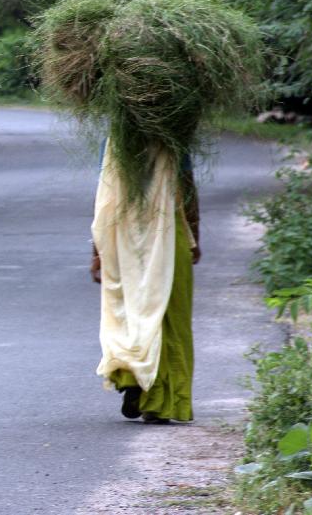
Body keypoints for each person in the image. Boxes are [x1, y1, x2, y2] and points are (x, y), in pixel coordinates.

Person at [90, 142, 201, 424]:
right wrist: (194, 234)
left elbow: (105, 198)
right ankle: (157, 402)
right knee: (168, 312)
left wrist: (98, 250)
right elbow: (186, 186)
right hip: (166, 233)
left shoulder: (117, 138)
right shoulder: (172, 134)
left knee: (131, 309)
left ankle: (132, 380)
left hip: (123, 233)